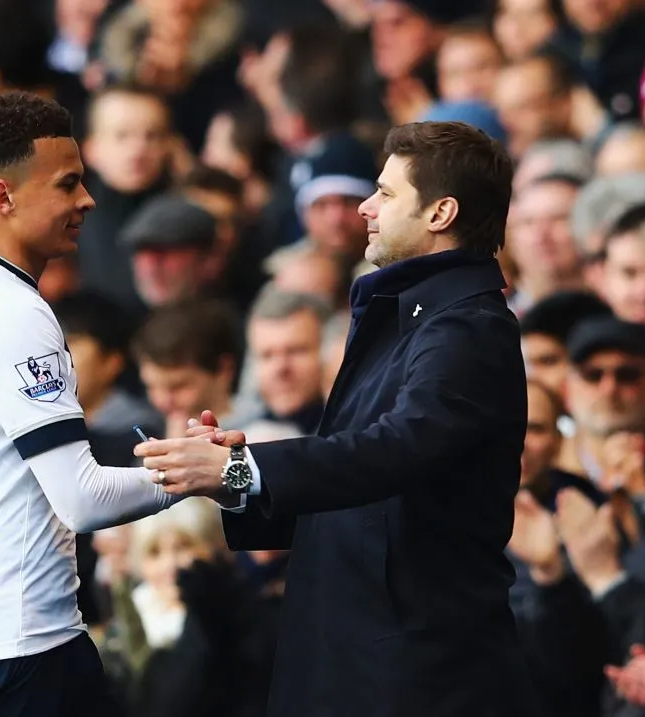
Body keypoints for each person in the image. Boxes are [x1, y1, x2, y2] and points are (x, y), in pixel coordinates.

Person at [135, 121, 539, 716]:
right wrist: (234, 478)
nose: (366, 207)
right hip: (362, 657)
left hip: (412, 676)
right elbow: (360, 493)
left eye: (387, 193)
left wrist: (245, 468)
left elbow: (397, 451)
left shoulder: (466, 328)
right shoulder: (411, 318)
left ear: (440, 212)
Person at [0, 91, 180, 717]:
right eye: (68, 184)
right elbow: (81, 499)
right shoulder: (13, 311)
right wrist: (193, 476)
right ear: (3, 197)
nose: (86, 200)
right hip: (25, 654)